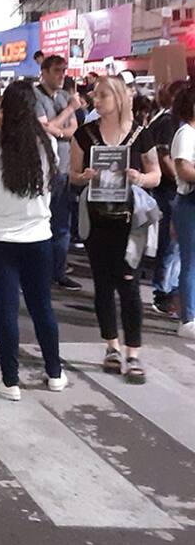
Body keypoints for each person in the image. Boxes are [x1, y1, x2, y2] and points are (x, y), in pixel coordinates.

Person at [0, 80, 66, 401]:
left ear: (5, 109)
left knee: (6, 310)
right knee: (42, 307)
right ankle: (55, 373)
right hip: (38, 238)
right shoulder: (47, 145)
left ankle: (9, 381)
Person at [71, 75, 160, 384]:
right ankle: (111, 346)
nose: (96, 101)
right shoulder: (85, 134)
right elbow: (72, 174)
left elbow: (156, 174)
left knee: (129, 286)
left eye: (103, 96)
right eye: (95, 96)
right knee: (103, 285)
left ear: (119, 98)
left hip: (130, 222)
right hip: (97, 220)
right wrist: (84, 176)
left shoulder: (140, 135)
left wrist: (140, 178)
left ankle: (133, 353)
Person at [34, 56, 83, 292]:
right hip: (44, 171)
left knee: (62, 225)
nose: (62, 75)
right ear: (44, 72)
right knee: (42, 221)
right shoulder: (36, 97)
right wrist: (69, 110)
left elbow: (73, 129)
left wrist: (57, 129)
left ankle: (58, 271)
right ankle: (40, 272)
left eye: (64, 71)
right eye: (56, 70)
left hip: (64, 169)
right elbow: (42, 128)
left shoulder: (63, 96)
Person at [147, 80, 185, 315]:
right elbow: (164, 156)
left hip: (175, 189)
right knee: (170, 242)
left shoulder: (175, 121)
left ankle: (171, 289)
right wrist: (181, 179)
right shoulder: (167, 122)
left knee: (177, 244)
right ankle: (162, 291)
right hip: (169, 189)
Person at [168, 85, 195, 339]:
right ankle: (188, 317)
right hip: (189, 202)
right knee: (190, 261)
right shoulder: (185, 133)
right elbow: (184, 169)